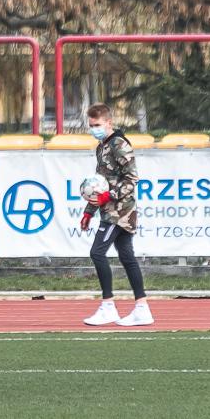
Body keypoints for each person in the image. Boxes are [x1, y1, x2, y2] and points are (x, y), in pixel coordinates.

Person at [80, 103, 153, 327]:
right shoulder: (101, 147)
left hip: (119, 211)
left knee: (97, 252)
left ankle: (108, 306)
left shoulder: (119, 144)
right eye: (91, 126)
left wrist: (108, 197)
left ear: (109, 122)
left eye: (98, 125)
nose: (94, 129)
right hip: (109, 209)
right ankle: (142, 308)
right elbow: (98, 183)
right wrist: (89, 211)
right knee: (127, 256)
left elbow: (132, 179)